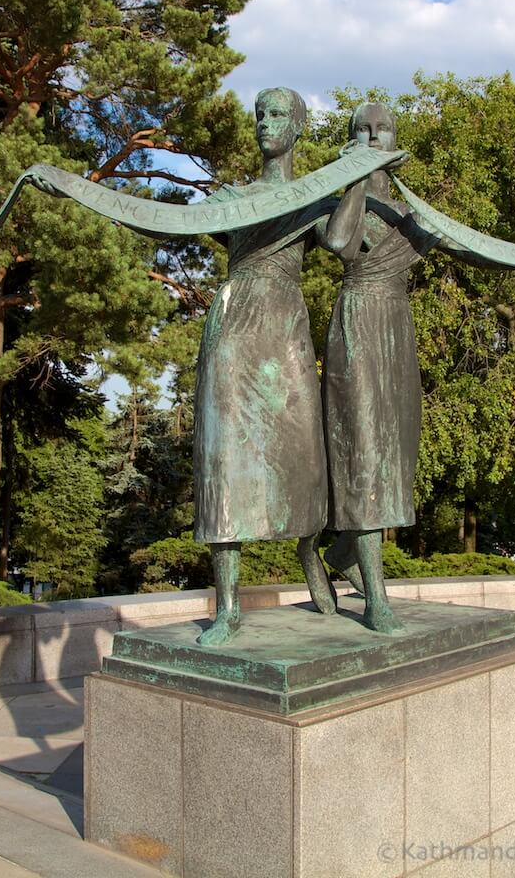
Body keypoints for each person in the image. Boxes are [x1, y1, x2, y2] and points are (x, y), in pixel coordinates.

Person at [194, 86, 363, 645]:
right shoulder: (233, 196)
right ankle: (228, 606)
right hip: (234, 324)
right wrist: (86, 195)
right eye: (259, 115)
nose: (265, 124)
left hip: (284, 322)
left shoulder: (312, 198)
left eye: (277, 115)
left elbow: (340, 242)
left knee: (304, 453)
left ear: (297, 127)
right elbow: (160, 224)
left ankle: (311, 550)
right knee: (224, 458)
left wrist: (359, 173)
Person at [320, 102, 420, 634]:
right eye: (362, 129)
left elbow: (464, 247)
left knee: (395, 455)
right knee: (364, 454)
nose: (373, 136)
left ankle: (334, 556)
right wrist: (354, 177)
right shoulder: (345, 202)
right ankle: (376, 600)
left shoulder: (409, 211)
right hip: (357, 320)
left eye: (382, 130)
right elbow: (337, 242)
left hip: (396, 328)